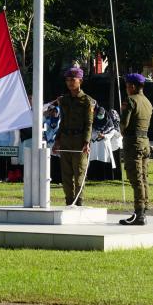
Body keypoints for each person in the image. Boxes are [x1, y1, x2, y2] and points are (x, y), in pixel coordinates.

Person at [55, 66, 95, 206]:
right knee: (66, 175)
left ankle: (79, 202)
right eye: (67, 80)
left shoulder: (87, 101)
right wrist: (57, 140)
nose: (70, 83)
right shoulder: (64, 100)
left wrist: (86, 142)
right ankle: (68, 201)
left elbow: (89, 123)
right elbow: (62, 122)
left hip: (79, 140)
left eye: (73, 80)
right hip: (66, 139)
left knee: (79, 173)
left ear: (80, 81)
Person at [119, 73, 153, 225]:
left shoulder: (131, 100)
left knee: (136, 177)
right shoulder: (147, 101)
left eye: (127, 86)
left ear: (132, 86)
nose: (126, 89)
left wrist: (119, 129)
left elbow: (124, 124)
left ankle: (139, 214)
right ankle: (143, 210)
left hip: (133, 143)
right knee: (144, 177)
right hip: (145, 141)